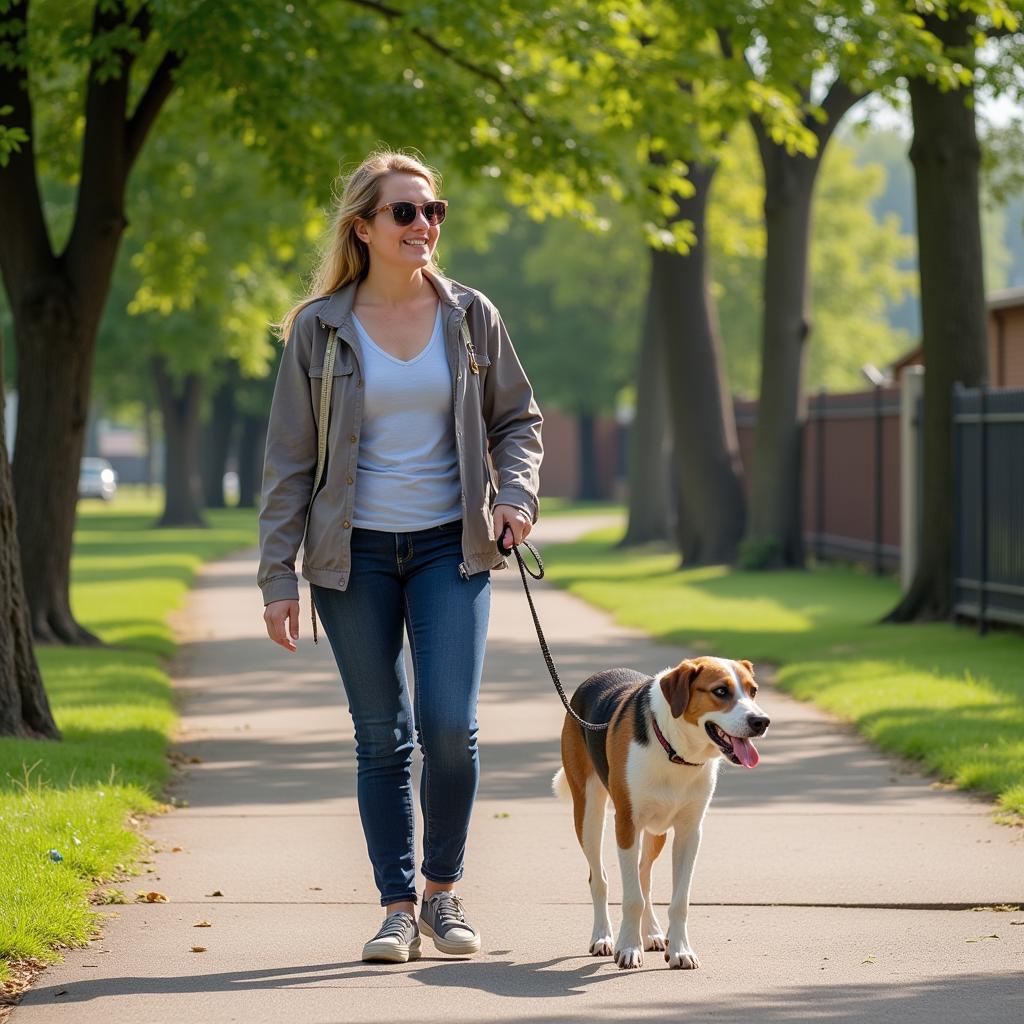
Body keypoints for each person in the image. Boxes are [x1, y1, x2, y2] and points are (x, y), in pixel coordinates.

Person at [257, 149, 543, 964]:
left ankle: (442, 894)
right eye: (406, 212)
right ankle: (395, 904)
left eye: (433, 211)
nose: (425, 225)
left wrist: (514, 497)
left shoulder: (470, 315)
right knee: (383, 737)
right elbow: (287, 460)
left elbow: (518, 420)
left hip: (453, 549)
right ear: (365, 227)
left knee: (450, 729)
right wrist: (278, 576)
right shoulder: (320, 327)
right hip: (353, 559)